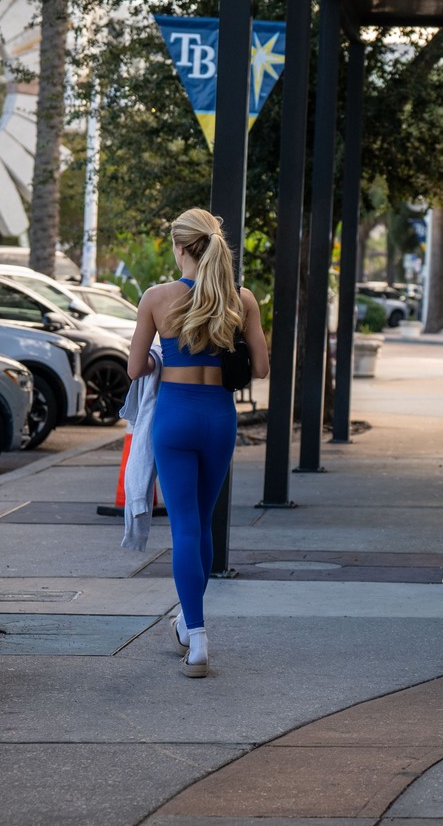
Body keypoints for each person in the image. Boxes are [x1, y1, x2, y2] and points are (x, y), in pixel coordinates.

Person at [128, 208, 269, 677]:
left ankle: (198, 635)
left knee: (184, 528)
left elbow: (134, 370)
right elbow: (262, 369)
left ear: (181, 247)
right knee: (202, 525)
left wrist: (157, 357)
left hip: (174, 417)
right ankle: (190, 630)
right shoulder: (240, 299)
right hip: (218, 418)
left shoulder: (156, 297)